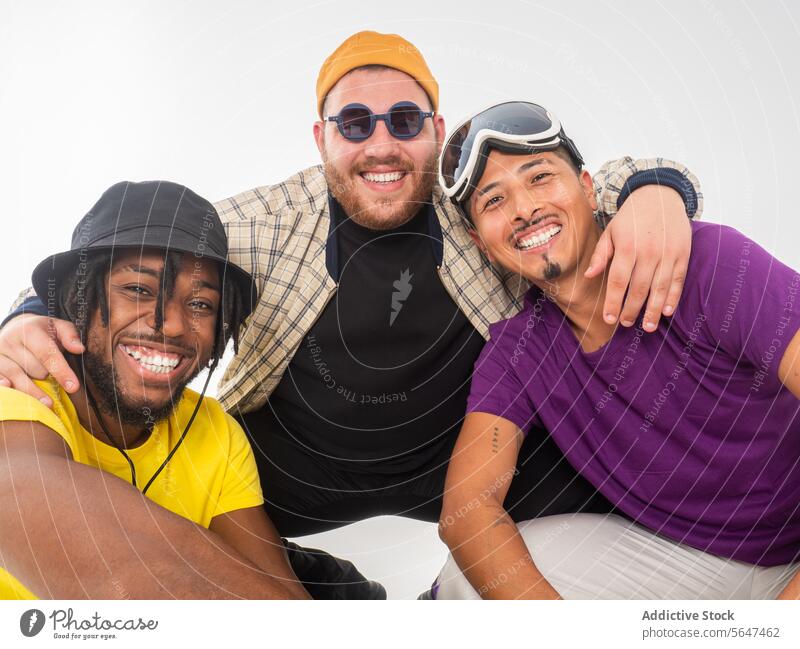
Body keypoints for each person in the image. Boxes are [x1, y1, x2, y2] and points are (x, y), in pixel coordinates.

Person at [0, 32, 703, 596]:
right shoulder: (268, 222)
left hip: (455, 461)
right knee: (180, 539)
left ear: (435, 130)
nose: (381, 145)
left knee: (639, 499)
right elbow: (127, 251)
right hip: (289, 477)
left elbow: (576, 182)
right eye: (355, 123)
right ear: (321, 138)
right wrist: (29, 313)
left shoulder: (479, 205)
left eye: (403, 121)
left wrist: (658, 189)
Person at [432, 101, 800, 599]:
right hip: (693, 563)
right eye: (494, 201)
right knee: (466, 583)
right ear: (480, 241)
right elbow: (468, 510)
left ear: (587, 188)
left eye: (539, 177)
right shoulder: (517, 352)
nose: (523, 209)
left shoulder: (708, 262)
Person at [0, 181, 309, 599]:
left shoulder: (214, 429)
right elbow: (113, 573)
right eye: (138, 290)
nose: (176, 324)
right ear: (78, 299)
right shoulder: (15, 388)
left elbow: (286, 596)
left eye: (201, 304)